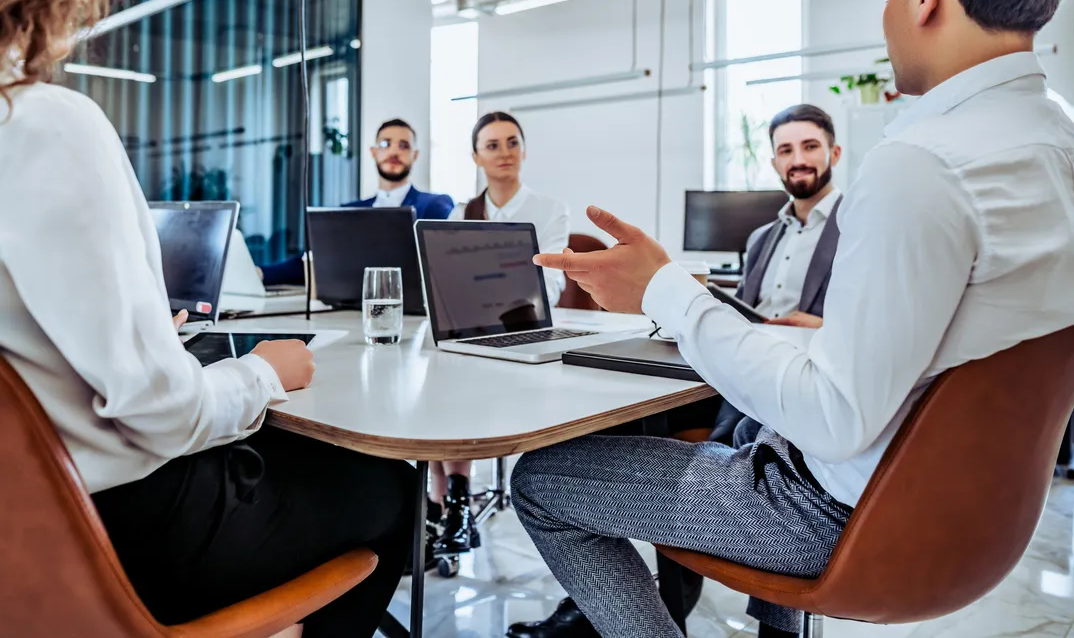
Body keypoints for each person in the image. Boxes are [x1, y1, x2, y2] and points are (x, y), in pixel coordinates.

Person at [513, 0, 1074, 638]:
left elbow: (833, 419)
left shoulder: (923, 165)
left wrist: (665, 291)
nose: (885, 18)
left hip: (834, 515)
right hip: (975, 524)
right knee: (724, 424)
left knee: (542, 477)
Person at [0, 0, 413, 636]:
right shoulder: (36, 123)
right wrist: (264, 372)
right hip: (108, 542)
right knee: (388, 486)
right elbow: (160, 412)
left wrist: (139, 338)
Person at [508, 103, 845, 638]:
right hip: (744, 380)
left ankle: (666, 605)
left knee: (547, 477)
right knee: (626, 420)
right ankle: (633, 600)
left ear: (834, 153)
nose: (797, 158)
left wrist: (822, 325)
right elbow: (742, 315)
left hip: (793, 394)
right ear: (774, 161)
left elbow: (864, 326)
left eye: (809, 146)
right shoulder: (763, 237)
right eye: (786, 149)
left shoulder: (856, 229)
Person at [424, 112, 570, 560]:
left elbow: (552, 282)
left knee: (460, 373)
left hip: (525, 327)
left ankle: (447, 497)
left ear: (523, 150)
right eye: (492, 145)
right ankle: (450, 495)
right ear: (476, 157)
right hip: (473, 327)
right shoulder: (461, 213)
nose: (504, 152)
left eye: (512, 142)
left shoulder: (549, 209)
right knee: (437, 365)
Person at [259, 117, 453, 286]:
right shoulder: (348, 212)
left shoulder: (434, 206)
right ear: (373, 152)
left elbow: (441, 264)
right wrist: (261, 273)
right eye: (385, 144)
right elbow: (314, 260)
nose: (394, 151)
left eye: (404, 146)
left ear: (415, 155)